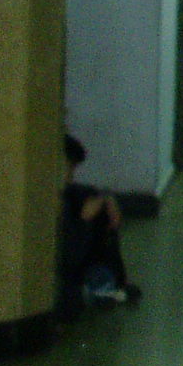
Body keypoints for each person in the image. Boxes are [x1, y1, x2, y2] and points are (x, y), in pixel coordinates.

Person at [59, 134, 140, 315]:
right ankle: (94, 291)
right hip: (65, 276)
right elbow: (68, 258)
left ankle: (112, 284)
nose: (70, 177)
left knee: (101, 212)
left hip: (84, 268)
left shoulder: (70, 193)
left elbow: (93, 193)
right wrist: (83, 222)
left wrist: (107, 199)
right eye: (69, 169)